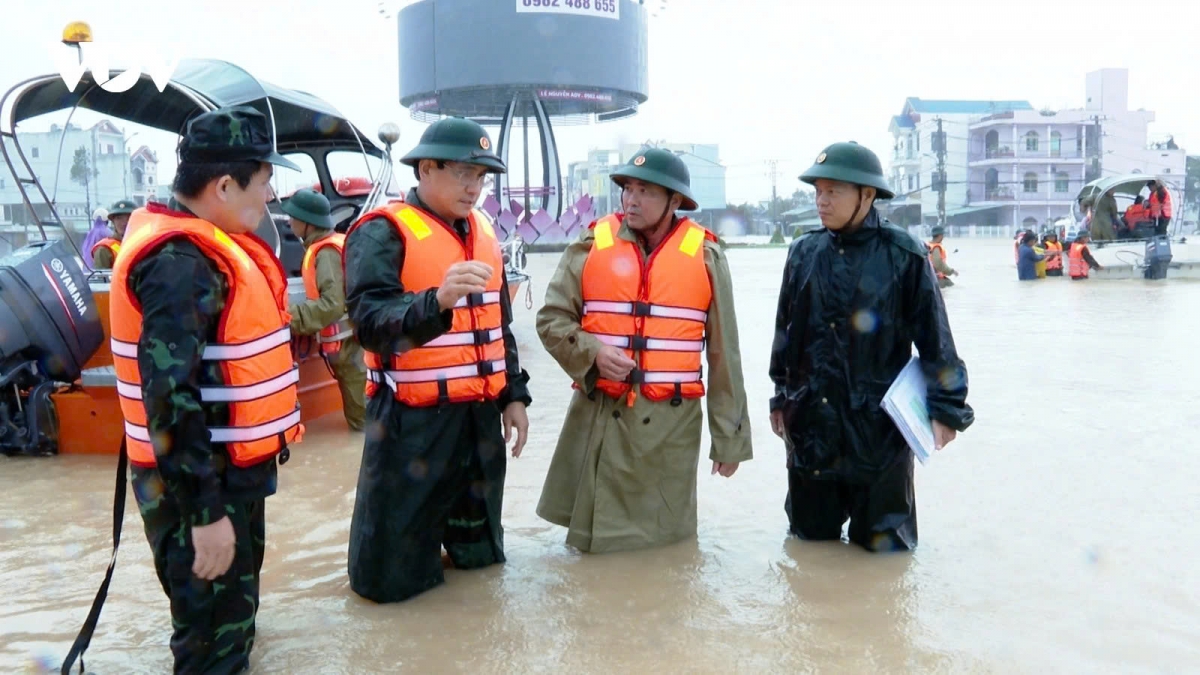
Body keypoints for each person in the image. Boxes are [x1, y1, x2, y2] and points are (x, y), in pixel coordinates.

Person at [71, 105, 305, 673]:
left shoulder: (205, 245)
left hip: (226, 476)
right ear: (225, 186)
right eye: (266, 181)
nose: (270, 197)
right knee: (208, 652)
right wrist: (204, 514)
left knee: (234, 626)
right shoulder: (180, 262)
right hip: (199, 486)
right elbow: (169, 396)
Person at [342, 116, 532, 603]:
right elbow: (367, 322)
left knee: (481, 563)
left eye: (482, 177)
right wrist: (436, 301)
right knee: (392, 581)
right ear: (426, 169)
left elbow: (497, 325)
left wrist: (513, 395)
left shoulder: (484, 232)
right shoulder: (382, 232)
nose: (475, 187)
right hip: (411, 427)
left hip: (479, 422)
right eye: (464, 173)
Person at [535, 148, 753, 553]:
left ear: (675, 201)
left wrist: (730, 439)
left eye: (646, 191)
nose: (631, 199)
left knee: (665, 548)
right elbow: (551, 320)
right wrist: (593, 352)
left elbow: (725, 354)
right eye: (627, 189)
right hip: (599, 412)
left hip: (670, 429)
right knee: (591, 549)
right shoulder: (590, 245)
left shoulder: (706, 255)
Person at [768, 141, 974, 553]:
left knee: (885, 561)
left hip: (878, 437)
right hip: (812, 430)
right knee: (809, 550)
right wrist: (780, 399)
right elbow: (785, 335)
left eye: (832, 191)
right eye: (818, 191)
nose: (821, 201)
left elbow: (936, 339)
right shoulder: (803, 253)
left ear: (867, 195)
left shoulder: (905, 256)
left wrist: (947, 409)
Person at [283, 187, 367, 431]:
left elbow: (332, 304)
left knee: (360, 417)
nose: (289, 221)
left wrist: (287, 318)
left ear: (307, 222)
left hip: (350, 347)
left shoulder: (326, 252)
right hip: (352, 344)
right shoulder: (333, 242)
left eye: (293, 217)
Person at [90, 199, 137, 269]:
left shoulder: (146, 245)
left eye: (129, 218)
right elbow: (102, 279)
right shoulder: (104, 249)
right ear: (113, 222)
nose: (124, 223)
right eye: (119, 218)